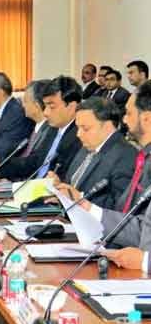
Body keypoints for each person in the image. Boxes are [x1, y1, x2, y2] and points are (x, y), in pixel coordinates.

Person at [58, 81, 151, 271]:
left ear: (147, 118)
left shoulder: (126, 155)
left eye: (129, 113)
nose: (124, 120)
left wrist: (146, 261)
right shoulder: (145, 157)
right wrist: (85, 206)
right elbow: (141, 227)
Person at [0, 76, 83, 181]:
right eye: (45, 106)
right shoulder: (53, 129)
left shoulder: (80, 136)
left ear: (71, 107)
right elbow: (33, 162)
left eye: (51, 107)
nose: (46, 112)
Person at [48, 96, 135, 210]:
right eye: (78, 128)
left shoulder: (126, 155)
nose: (79, 134)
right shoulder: (88, 145)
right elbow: (73, 185)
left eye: (85, 128)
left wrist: (79, 199)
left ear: (107, 126)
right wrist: (60, 187)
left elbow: (120, 207)